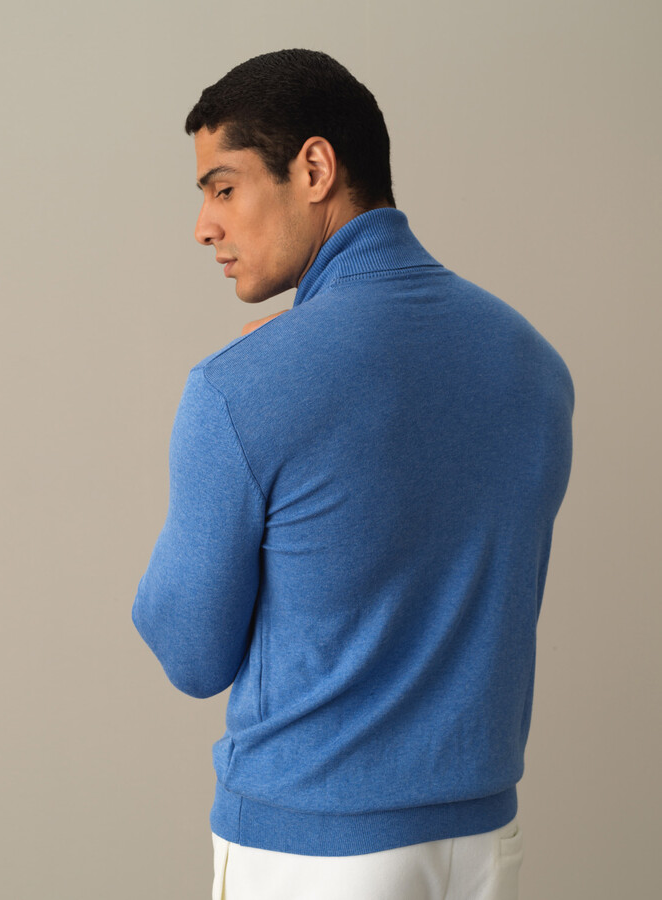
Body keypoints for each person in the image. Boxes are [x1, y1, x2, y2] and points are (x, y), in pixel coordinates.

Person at [132, 49, 574, 900]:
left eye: (222, 187)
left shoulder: (239, 390)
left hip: (313, 849)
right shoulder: (533, 363)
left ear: (313, 169)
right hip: (483, 841)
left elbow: (189, 652)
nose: (204, 226)